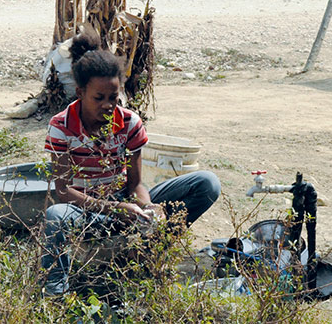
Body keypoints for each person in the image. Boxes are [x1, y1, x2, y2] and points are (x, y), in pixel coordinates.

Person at [41, 29, 221, 297]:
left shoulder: (129, 123)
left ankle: (148, 253)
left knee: (207, 183)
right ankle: (56, 292)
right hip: (86, 211)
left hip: (124, 204)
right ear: (80, 92)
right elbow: (63, 191)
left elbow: (135, 184)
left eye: (113, 97)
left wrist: (147, 208)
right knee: (55, 215)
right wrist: (115, 209)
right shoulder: (61, 126)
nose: (108, 105)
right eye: (98, 98)